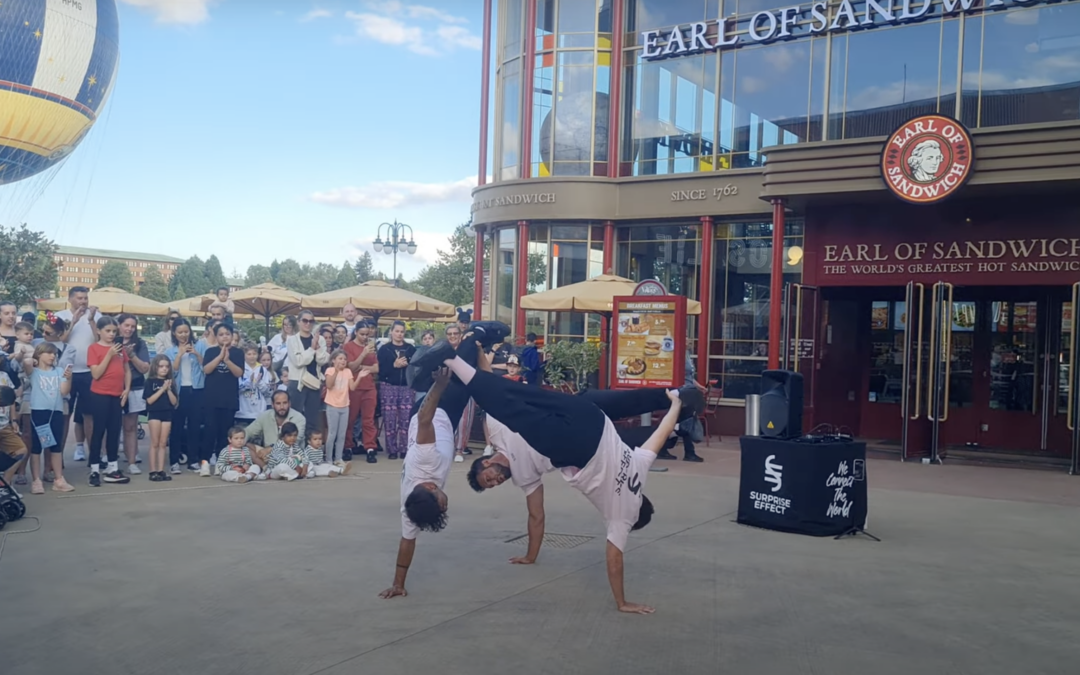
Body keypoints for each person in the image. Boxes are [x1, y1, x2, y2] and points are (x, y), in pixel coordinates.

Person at [419, 326, 700, 614]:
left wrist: (676, 405)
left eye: (490, 480)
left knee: (509, 391)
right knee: (509, 407)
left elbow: (659, 437)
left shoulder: (640, 471)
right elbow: (614, 558)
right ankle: (451, 359)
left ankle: (449, 358)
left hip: (591, 419)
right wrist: (622, 602)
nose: (494, 481)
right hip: (576, 445)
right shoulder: (624, 515)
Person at [379, 367, 469, 600]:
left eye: (442, 504)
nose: (446, 505)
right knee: (467, 379)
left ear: (430, 487)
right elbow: (407, 541)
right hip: (448, 424)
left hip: (438, 412)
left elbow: (423, 418)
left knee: (462, 367)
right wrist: (398, 584)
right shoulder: (412, 507)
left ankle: (474, 336)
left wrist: (439, 385)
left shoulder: (426, 461)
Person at [56, 287, 102, 464]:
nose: (83, 302)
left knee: (90, 415)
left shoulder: (96, 316)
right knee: (64, 415)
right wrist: (73, 322)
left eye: (85, 298)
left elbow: (100, 342)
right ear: (70, 299)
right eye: (80, 298)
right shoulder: (61, 316)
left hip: (89, 373)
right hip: (65, 372)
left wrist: (91, 321)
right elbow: (59, 341)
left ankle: (94, 458)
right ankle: (57, 458)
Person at [86, 316, 131, 486]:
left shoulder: (120, 349)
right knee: (99, 431)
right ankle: (95, 469)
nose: (111, 334)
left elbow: (126, 370)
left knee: (114, 431)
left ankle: (113, 467)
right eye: (108, 331)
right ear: (99, 331)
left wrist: (126, 389)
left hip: (117, 394)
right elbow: (96, 374)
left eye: (114, 331)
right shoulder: (94, 348)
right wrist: (109, 354)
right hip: (100, 394)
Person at [27, 342, 74, 493]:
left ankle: (59, 479)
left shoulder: (59, 371)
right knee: (36, 447)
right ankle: (36, 480)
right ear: (39, 354)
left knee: (56, 446)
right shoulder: (34, 371)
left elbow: (64, 392)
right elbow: (26, 363)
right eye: (49, 353)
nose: (52, 356)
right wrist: (32, 360)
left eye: (54, 353)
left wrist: (68, 378)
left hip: (56, 412)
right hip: (39, 411)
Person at [164, 318, 207, 475]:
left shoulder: (200, 345)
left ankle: (193, 460)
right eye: (180, 332)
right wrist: (180, 354)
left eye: (186, 331)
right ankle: (174, 461)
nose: (183, 335)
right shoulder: (170, 351)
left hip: (196, 389)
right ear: (174, 333)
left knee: (195, 426)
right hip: (179, 391)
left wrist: (196, 354)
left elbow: (206, 368)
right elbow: (172, 371)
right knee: (176, 426)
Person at [201, 323, 244, 477]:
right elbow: (206, 369)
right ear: (216, 336)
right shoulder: (210, 351)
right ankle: (204, 462)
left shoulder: (238, 353)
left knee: (224, 433)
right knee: (209, 431)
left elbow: (238, 373)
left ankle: (221, 463)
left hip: (229, 399)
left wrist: (227, 360)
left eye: (227, 334)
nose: (225, 336)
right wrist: (220, 357)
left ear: (232, 336)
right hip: (211, 399)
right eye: (221, 334)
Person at [286, 309, 328, 441]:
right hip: (297, 382)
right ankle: (293, 448)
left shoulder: (320, 339)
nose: (308, 323)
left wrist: (317, 347)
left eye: (311, 321)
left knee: (312, 419)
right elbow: (298, 362)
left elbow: (323, 360)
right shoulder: (292, 340)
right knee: (295, 418)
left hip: (314, 382)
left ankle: (310, 450)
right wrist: (312, 348)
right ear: (298, 322)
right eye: (305, 320)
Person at [117, 313, 150, 475]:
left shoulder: (139, 344)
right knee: (110, 427)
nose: (129, 329)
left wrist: (131, 356)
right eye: (126, 325)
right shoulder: (111, 341)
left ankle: (131, 461)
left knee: (130, 427)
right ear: (119, 325)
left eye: (132, 326)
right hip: (113, 388)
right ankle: (108, 460)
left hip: (135, 387)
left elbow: (145, 368)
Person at [376, 320, 415, 460]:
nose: (399, 334)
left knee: (406, 419)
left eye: (402, 331)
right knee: (389, 418)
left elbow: (415, 368)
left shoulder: (411, 349)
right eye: (397, 331)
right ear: (391, 332)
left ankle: (404, 448)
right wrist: (394, 365)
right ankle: (392, 449)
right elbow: (381, 371)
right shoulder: (384, 349)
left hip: (406, 387)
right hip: (389, 386)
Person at [344, 321, 378, 464]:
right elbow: (350, 366)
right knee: (350, 419)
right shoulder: (348, 346)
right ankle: (348, 446)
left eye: (367, 334)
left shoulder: (371, 347)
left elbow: (376, 369)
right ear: (356, 332)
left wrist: (363, 367)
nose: (365, 337)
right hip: (354, 386)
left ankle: (370, 447)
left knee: (368, 420)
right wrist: (363, 355)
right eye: (362, 334)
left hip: (369, 387)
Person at [244, 390, 306, 466]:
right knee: (245, 446)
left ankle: (266, 469)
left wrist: (270, 449)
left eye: (285, 403)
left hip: (290, 454)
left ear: (289, 403)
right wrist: (236, 444)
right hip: (267, 456)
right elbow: (248, 432)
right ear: (272, 404)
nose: (282, 407)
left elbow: (296, 440)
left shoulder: (299, 418)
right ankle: (265, 468)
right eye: (278, 403)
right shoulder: (265, 416)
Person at [143, 354, 177, 482]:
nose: (164, 369)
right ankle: (152, 470)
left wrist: (168, 390)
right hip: (154, 413)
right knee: (155, 442)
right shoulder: (150, 382)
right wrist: (162, 389)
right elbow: (150, 400)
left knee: (163, 443)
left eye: (167, 367)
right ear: (155, 367)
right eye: (161, 366)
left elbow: (174, 402)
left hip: (167, 413)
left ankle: (161, 469)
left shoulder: (170, 382)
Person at [324, 348, 361, 466]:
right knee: (332, 433)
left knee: (342, 434)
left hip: (345, 406)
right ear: (333, 360)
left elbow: (352, 387)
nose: (343, 361)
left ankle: (338, 458)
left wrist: (359, 376)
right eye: (340, 359)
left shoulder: (348, 372)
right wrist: (336, 371)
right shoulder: (329, 370)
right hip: (332, 405)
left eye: (345, 359)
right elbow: (329, 385)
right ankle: (329, 458)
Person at [0, 375, 27, 490]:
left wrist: (14, 420)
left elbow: (10, 400)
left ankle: (5, 483)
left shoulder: (4, 376)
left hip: (4, 426)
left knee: (21, 450)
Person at [237, 343, 272, 427]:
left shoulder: (262, 370)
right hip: (243, 411)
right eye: (249, 354)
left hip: (259, 411)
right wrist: (249, 382)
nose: (252, 356)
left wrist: (259, 382)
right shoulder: (239, 368)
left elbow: (267, 391)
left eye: (254, 354)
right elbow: (237, 389)